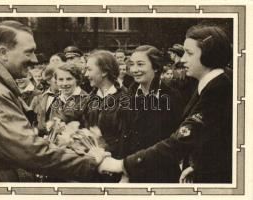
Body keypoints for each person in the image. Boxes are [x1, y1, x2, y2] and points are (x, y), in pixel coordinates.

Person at [98, 24, 233, 184]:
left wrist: (123, 165)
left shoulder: (216, 90)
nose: (182, 60)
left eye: (189, 53)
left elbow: (181, 140)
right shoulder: (211, 86)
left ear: (209, 55)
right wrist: (200, 165)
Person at [0, 20, 108, 182]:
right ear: (3, 52)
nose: (35, 60)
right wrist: (92, 163)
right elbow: (28, 150)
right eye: (28, 52)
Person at [117, 45, 184, 182]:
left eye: (140, 64)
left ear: (156, 67)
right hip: (133, 171)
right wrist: (124, 172)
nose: (134, 70)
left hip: (162, 173)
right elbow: (125, 136)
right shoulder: (128, 96)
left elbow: (175, 140)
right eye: (132, 65)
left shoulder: (172, 97)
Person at [83, 50, 127, 159]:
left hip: (114, 163)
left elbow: (125, 141)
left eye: (89, 69)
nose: (86, 74)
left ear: (104, 72)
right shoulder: (90, 99)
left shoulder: (125, 100)